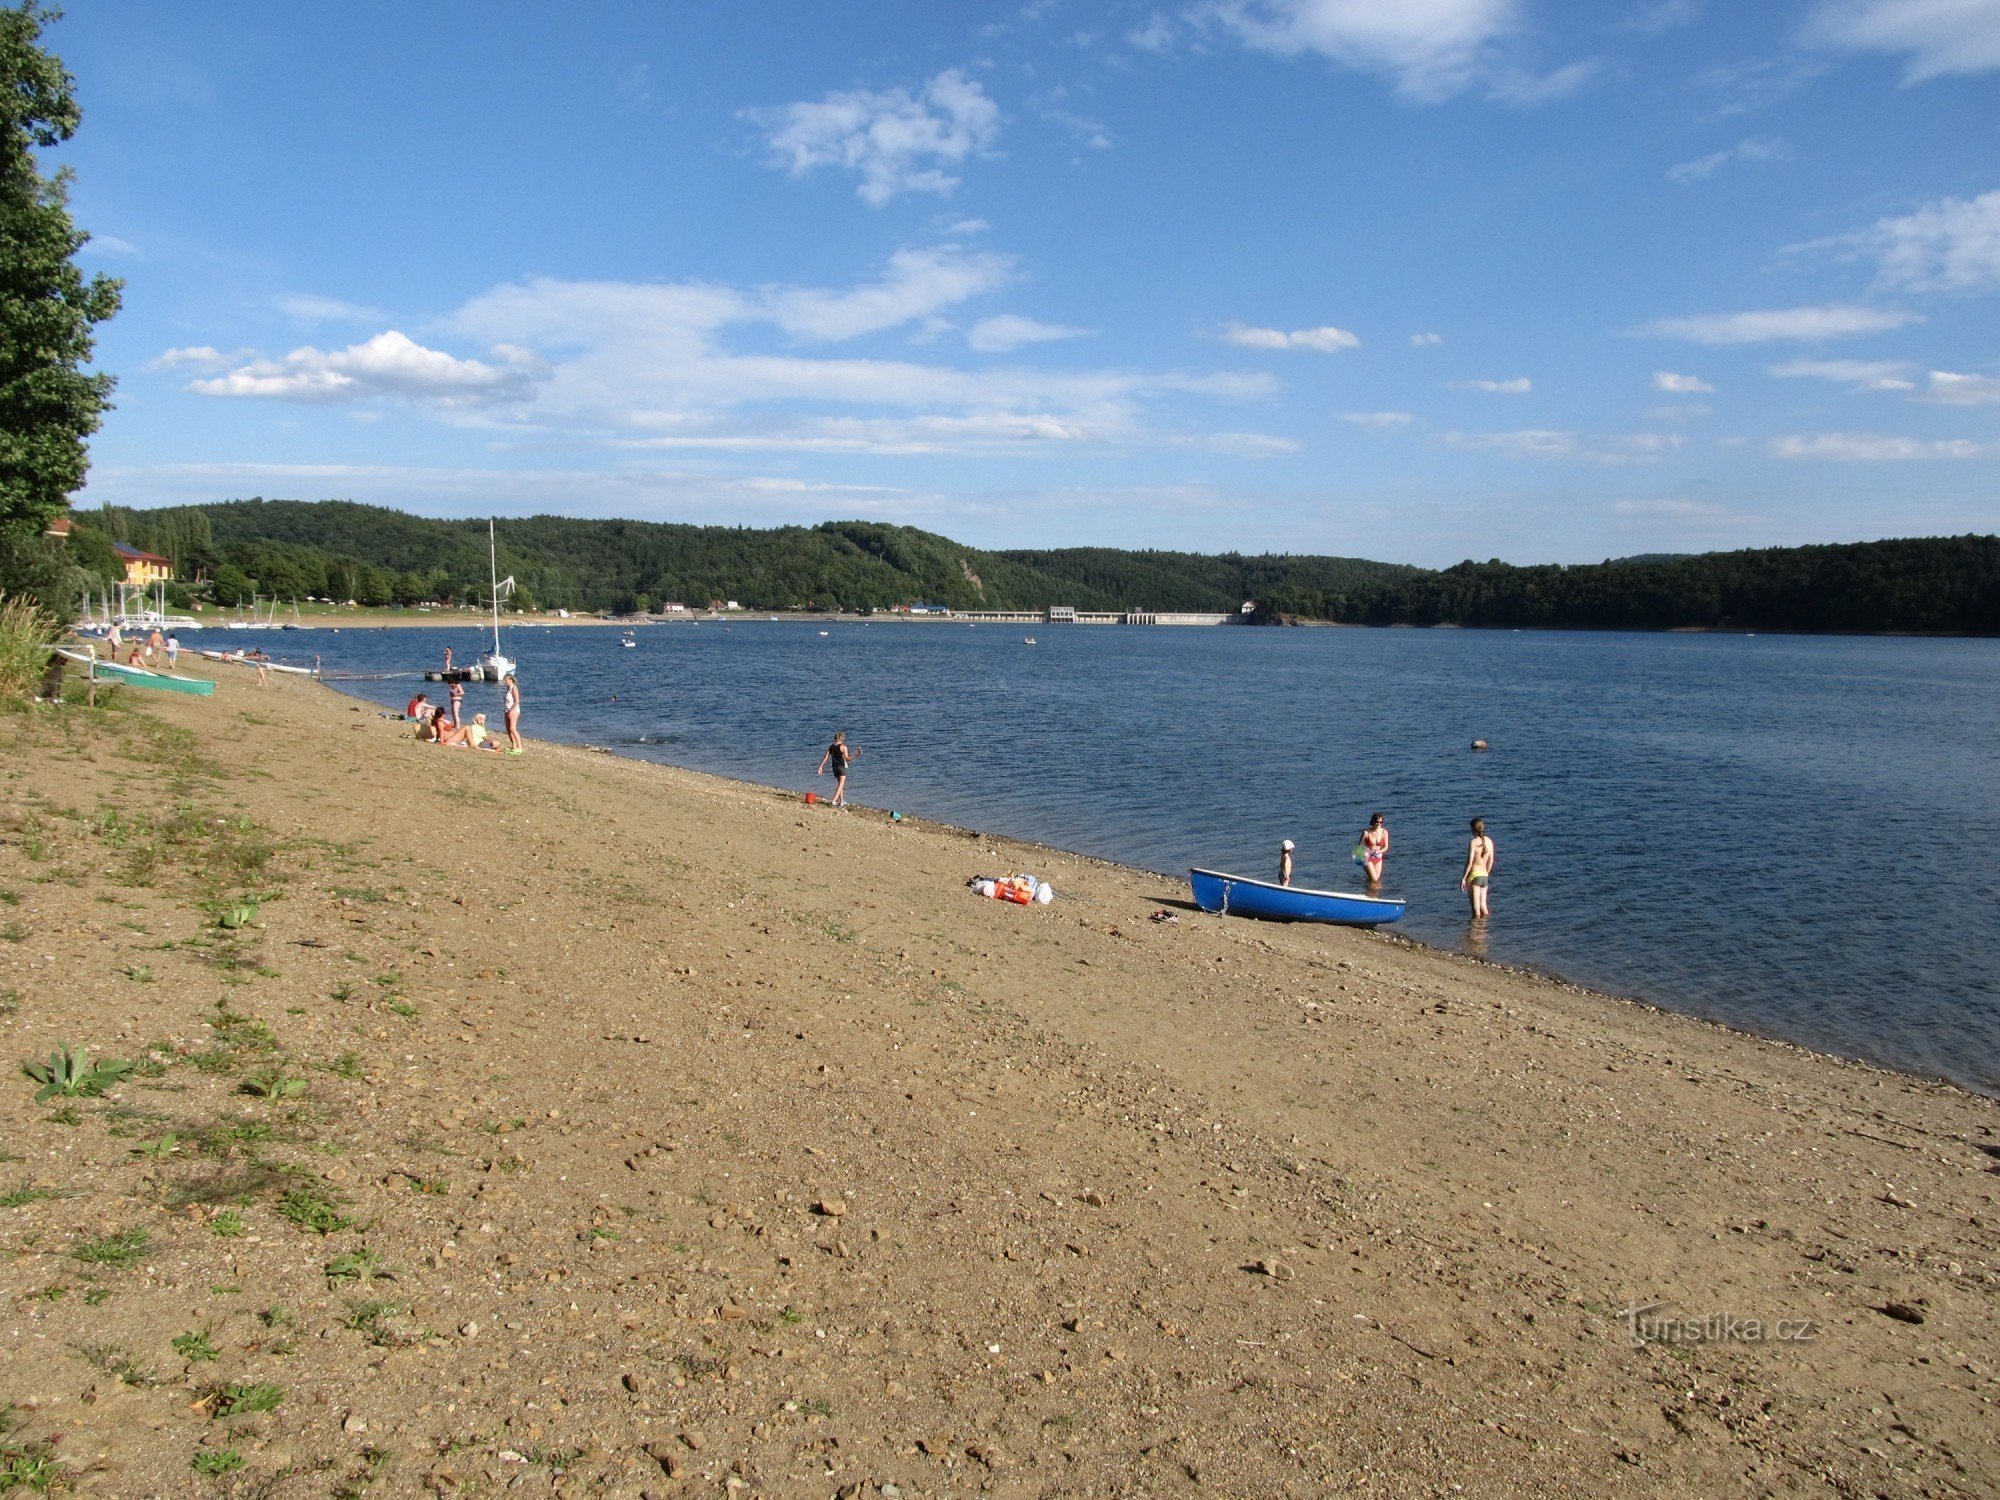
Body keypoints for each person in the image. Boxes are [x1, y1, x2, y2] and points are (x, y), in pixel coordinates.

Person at [1461, 817, 1495, 919]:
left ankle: (1476, 932)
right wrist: (1487, 873)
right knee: (1484, 907)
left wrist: (1463, 878)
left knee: (1476, 909)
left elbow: (1470, 862)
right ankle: (1485, 930)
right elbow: (1491, 860)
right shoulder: (1489, 841)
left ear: (1472, 829)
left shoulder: (1473, 842)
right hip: (1484, 875)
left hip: (1474, 875)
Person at [816, 731, 858, 806]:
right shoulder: (843, 747)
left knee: (839, 784)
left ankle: (841, 802)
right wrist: (856, 755)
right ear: (842, 739)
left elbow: (825, 757)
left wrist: (820, 766)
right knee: (841, 785)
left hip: (834, 768)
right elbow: (847, 759)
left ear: (835, 738)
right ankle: (834, 801)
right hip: (842, 767)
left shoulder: (831, 747)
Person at [1358, 813, 1389, 886]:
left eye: (1381, 822)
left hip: (1378, 858)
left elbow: (1386, 847)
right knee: (1375, 880)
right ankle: (1372, 893)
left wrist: (1379, 851)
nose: (1379, 824)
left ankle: (1369, 893)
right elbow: (1359, 846)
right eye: (1377, 822)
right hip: (1367, 858)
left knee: (1374, 880)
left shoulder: (1384, 832)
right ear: (1372, 821)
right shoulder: (1366, 833)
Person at [501, 673, 522, 754]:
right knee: (508, 729)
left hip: (513, 710)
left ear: (510, 680)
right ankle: (514, 746)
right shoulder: (507, 688)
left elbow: (517, 701)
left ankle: (519, 747)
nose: (504, 682)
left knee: (513, 729)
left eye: (505, 680)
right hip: (507, 710)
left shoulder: (514, 688)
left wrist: (511, 710)